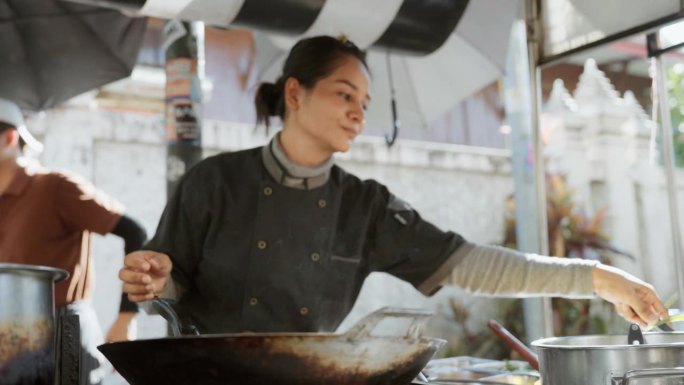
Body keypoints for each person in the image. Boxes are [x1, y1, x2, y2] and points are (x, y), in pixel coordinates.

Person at [120, 36, 668, 335]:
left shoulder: (366, 207)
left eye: (365, 103)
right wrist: (155, 283)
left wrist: (596, 277)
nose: (358, 114)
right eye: (343, 95)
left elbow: (472, 264)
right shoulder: (213, 182)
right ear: (295, 93)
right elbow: (164, 296)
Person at [0, 98, 147, 385]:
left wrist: (127, 316)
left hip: (63, 336)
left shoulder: (55, 187)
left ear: (8, 138)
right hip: (10, 342)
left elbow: (135, 232)